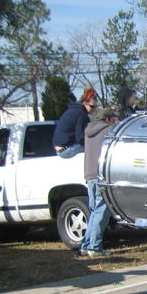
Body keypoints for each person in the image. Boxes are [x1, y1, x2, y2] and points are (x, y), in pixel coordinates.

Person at [80, 107, 118, 258]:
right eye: (113, 119)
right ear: (107, 119)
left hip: (89, 175)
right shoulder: (108, 131)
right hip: (101, 174)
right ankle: (95, 247)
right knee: (102, 210)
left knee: (94, 211)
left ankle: (86, 245)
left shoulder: (88, 132)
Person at [53, 85, 97, 158]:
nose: (94, 109)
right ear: (84, 103)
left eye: (96, 106)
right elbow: (80, 138)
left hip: (60, 149)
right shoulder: (81, 114)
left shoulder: (73, 110)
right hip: (67, 150)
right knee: (97, 148)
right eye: (92, 106)